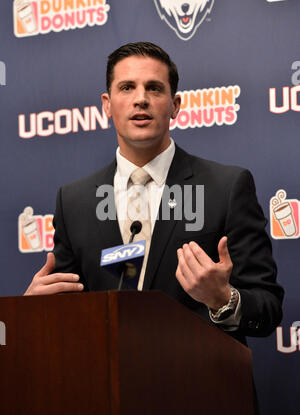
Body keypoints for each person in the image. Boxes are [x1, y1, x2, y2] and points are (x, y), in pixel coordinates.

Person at [25, 41, 284, 346]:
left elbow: (268, 308)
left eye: (154, 88)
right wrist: (35, 310)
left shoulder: (226, 187)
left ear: (175, 105)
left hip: (199, 386)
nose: (141, 99)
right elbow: (67, 310)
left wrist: (223, 299)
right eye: (127, 87)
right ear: (107, 105)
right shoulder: (73, 201)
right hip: (105, 386)